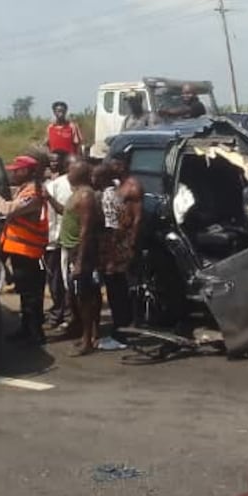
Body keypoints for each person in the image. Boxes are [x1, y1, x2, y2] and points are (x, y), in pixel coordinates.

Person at [0, 155, 49, 345]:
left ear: (26, 171)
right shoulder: (25, 189)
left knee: (31, 295)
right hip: (20, 250)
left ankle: (34, 333)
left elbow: (8, 209)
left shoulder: (32, 192)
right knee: (25, 293)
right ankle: (26, 329)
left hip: (29, 252)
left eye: (16, 170)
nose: (13, 173)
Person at [97, 151, 144, 348]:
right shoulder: (119, 185)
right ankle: (120, 327)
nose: (110, 167)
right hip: (114, 242)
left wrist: (130, 245)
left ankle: (122, 332)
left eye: (113, 164)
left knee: (118, 288)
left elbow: (137, 219)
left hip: (122, 243)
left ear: (122, 165)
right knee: (114, 287)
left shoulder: (132, 186)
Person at [57, 161, 102, 356]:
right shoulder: (76, 194)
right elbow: (65, 213)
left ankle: (87, 341)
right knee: (78, 295)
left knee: (85, 296)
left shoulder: (85, 196)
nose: (68, 174)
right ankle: (88, 335)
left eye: (71, 170)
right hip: (72, 249)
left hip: (80, 251)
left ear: (80, 174)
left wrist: (80, 261)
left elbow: (86, 231)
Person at [42, 153, 79, 329]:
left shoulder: (85, 186)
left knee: (66, 279)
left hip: (70, 241)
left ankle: (67, 314)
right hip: (58, 239)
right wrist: (51, 239)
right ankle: (62, 312)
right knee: (58, 278)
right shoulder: (55, 185)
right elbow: (51, 215)